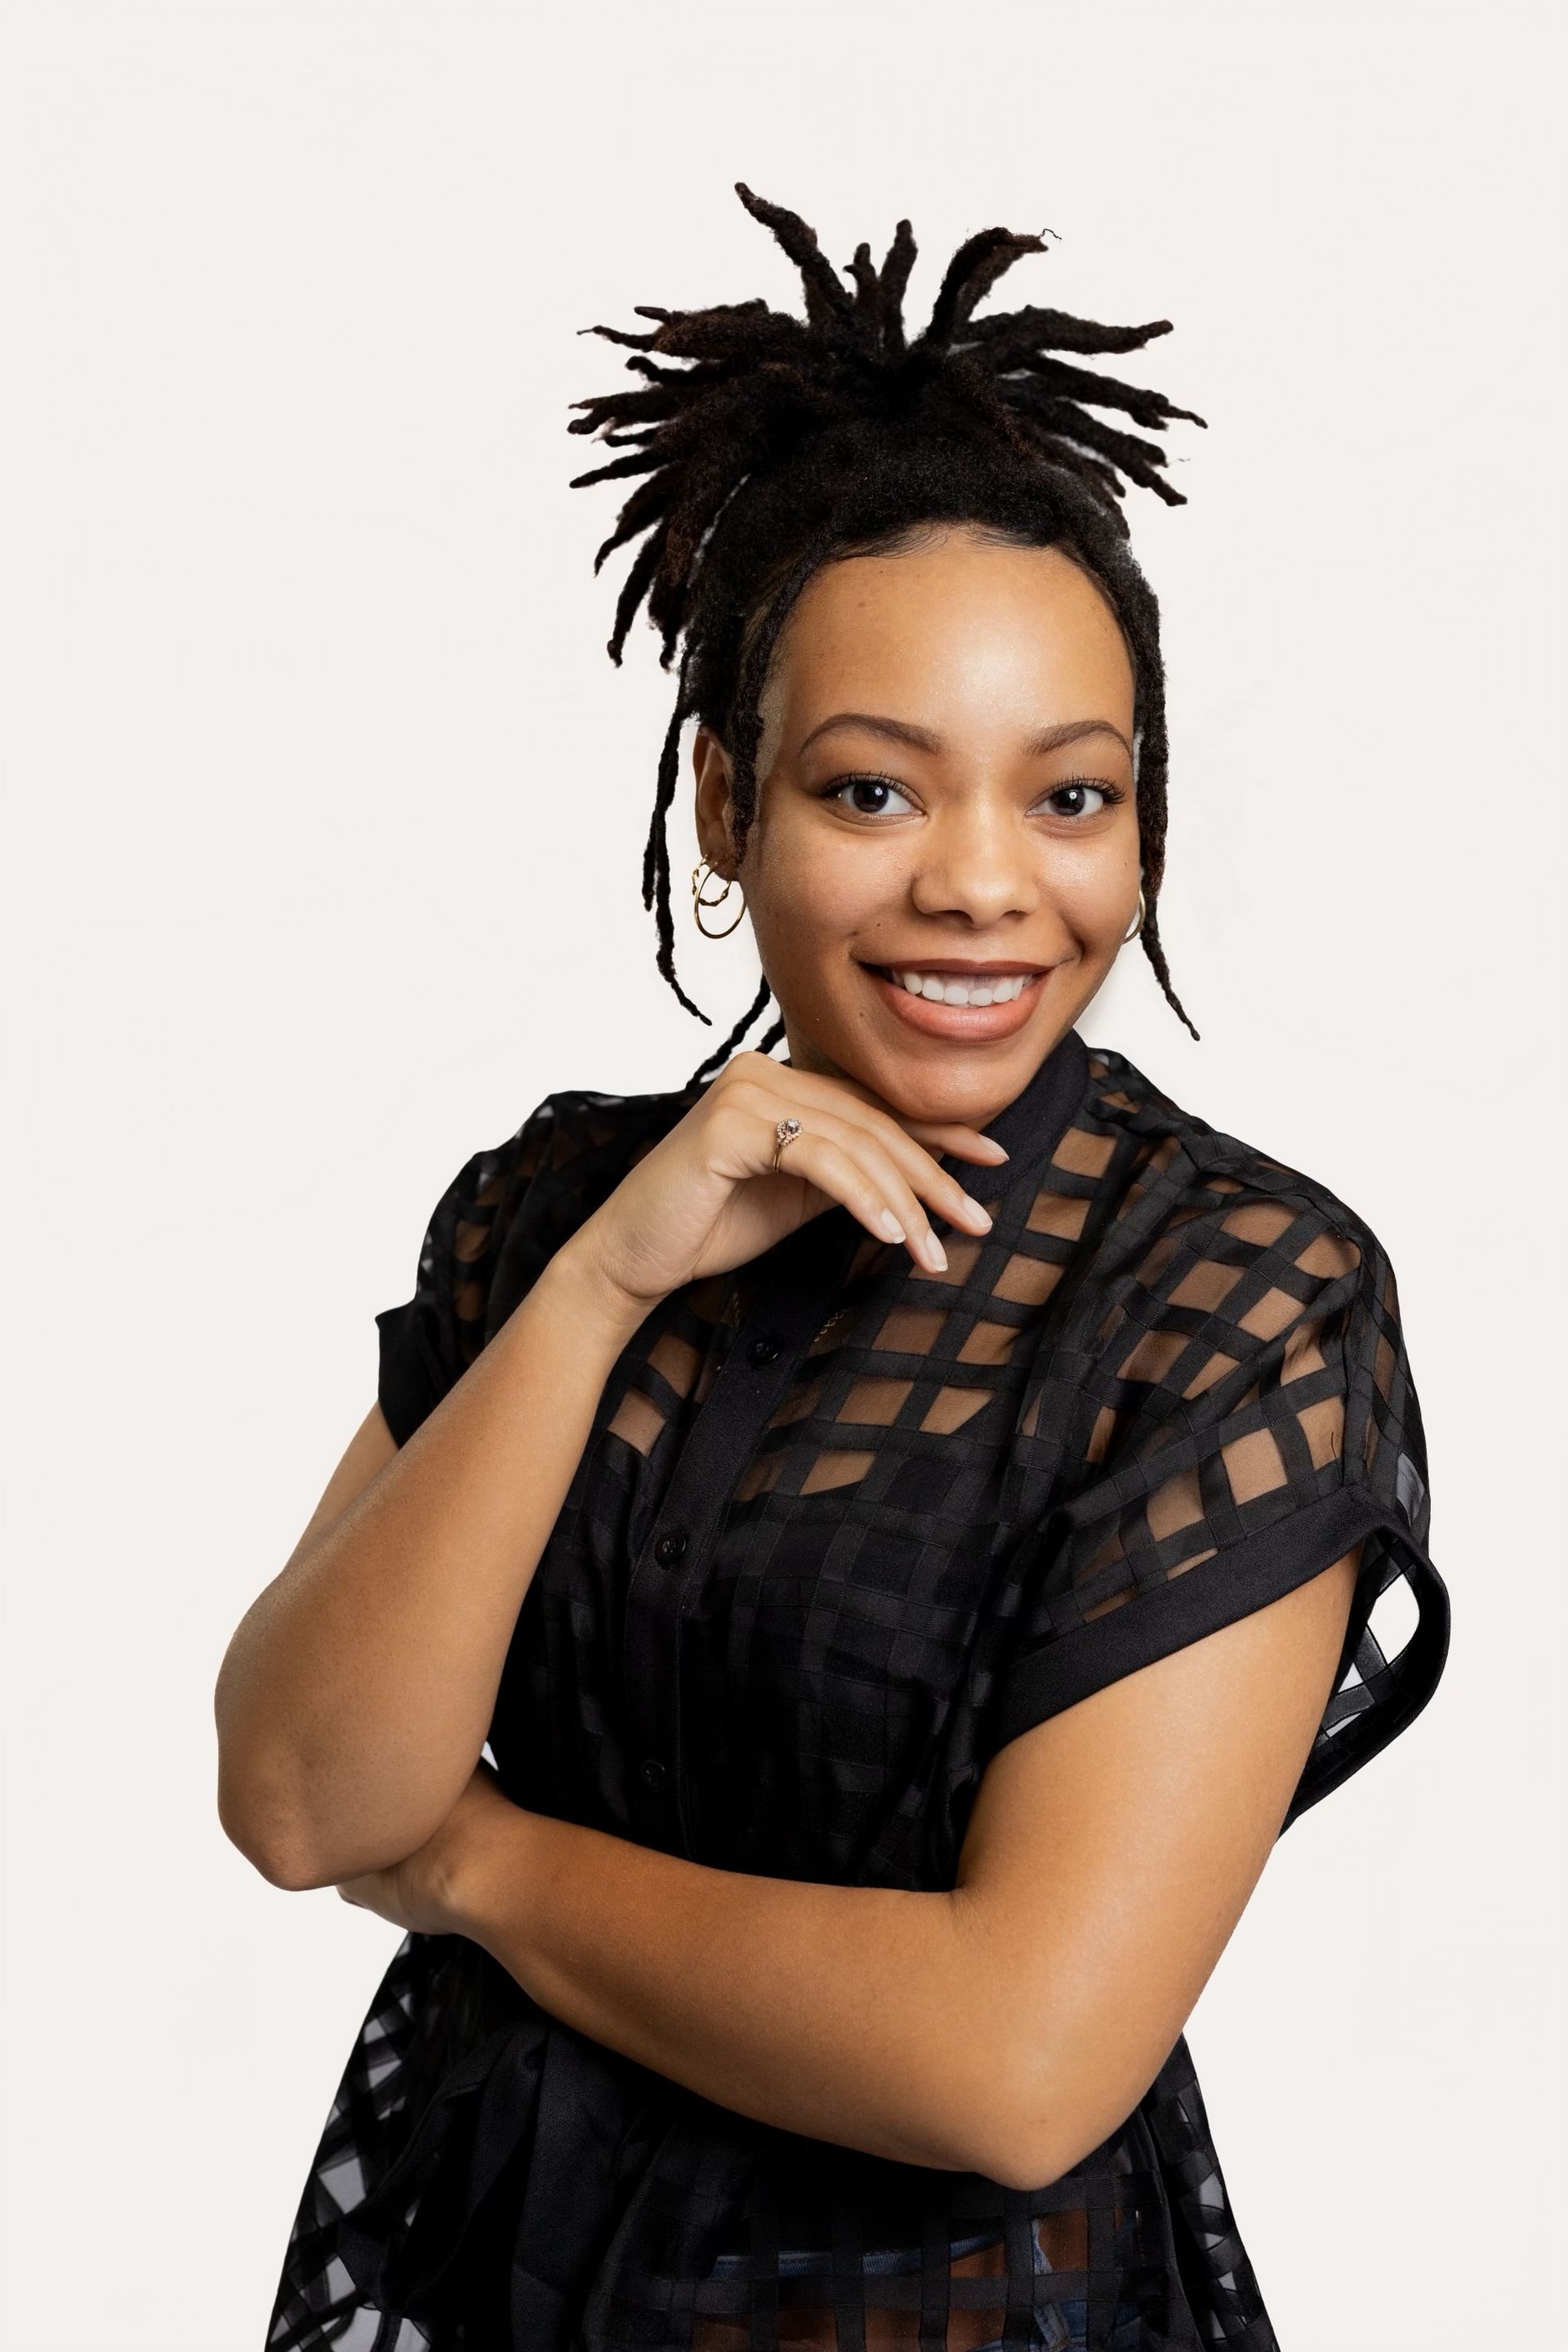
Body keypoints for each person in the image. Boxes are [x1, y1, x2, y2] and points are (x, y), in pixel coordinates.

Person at [217, 186, 1451, 2352]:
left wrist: (484, 1870)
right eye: (875, 791)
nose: (981, 885)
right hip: (494, 2271)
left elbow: (1014, 2060)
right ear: (726, 805)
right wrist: (604, 1281)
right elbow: (307, 1793)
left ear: (1144, 822)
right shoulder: (559, 1210)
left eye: (1070, 799)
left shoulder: (1235, 1302)